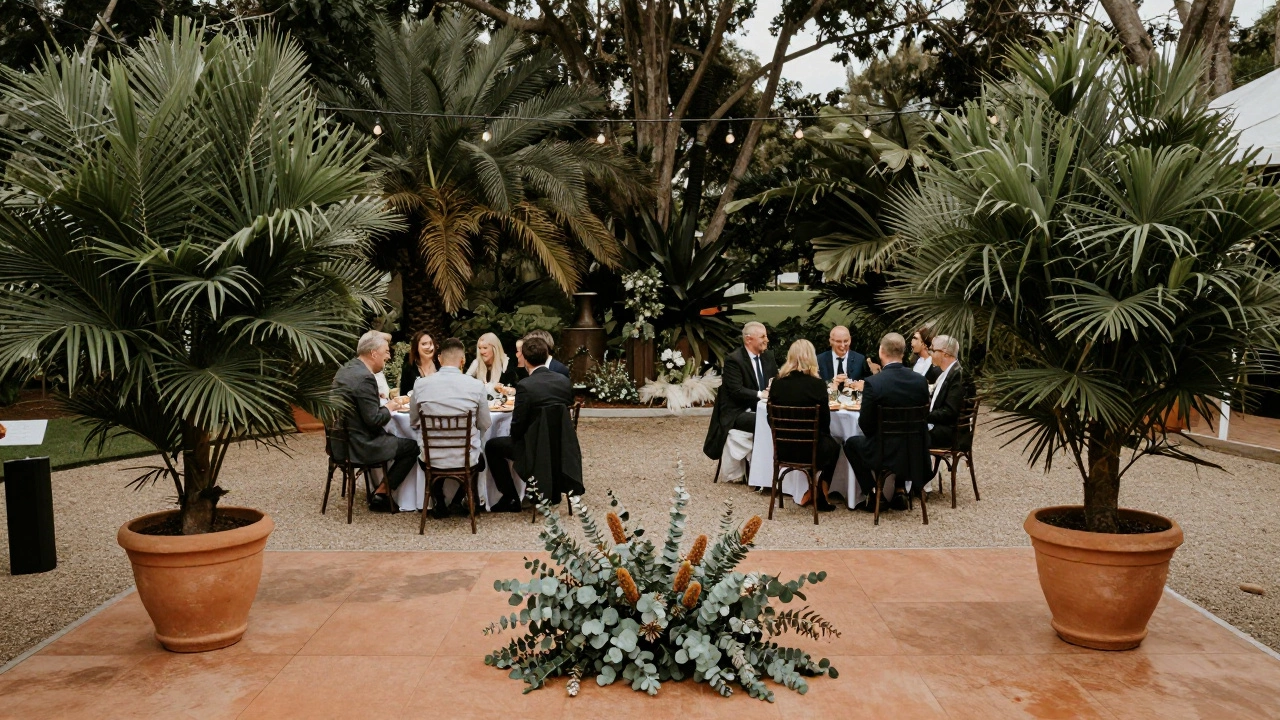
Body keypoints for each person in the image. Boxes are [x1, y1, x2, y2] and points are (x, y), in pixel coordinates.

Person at [484, 336, 577, 512]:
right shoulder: (563, 381)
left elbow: (517, 426)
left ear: (525, 359)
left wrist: (517, 437)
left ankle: (510, 496)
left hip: (534, 448)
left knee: (491, 446)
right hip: (562, 445)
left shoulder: (525, 386)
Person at [841, 332, 931, 511]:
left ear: (881, 352)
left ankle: (875, 493)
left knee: (851, 443)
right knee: (903, 438)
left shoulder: (874, 383)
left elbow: (865, 425)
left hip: (883, 452)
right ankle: (899, 490)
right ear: (903, 353)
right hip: (914, 450)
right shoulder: (920, 381)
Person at [331, 331, 419, 512]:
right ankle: (382, 494)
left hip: (339, 443)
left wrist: (374, 398)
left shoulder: (346, 369)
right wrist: (391, 406)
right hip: (361, 445)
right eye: (386, 351)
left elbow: (356, 401)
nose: (388, 356)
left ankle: (380, 489)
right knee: (412, 447)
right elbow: (374, 420)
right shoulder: (365, 378)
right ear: (373, 353)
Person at [411, 338, 492, 519]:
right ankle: (466, 500)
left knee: (424, 455)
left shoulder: (421, 385)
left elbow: (414, 420)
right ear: (462, 360)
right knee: (480, 458)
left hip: (431, 458)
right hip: (465, 458)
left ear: (440, 359)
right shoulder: (476, 386)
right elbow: (485, 424)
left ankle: (438, 500)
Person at [768, 339, 841, 512]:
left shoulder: (777, 383)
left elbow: (769, 418)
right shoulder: (817, 385)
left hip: (783, 448)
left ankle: (813, 490)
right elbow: (825, 423)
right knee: (835, 446)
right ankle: (821, 490)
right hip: (811, 449)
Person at [702, 321, 778, 461]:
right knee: (766, 421)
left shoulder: (768, 357)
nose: (767, 340)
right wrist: (761, 394)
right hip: (739, 411)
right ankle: (760, 468)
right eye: (762, 337)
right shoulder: (734, 360)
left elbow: (775, 380)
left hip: (765, 408)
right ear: (749, 339)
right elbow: (736, 391)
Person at [926, 335, 965, 449]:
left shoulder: (958, 375)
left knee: (908, 436)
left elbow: (950, 412)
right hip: (942, 429)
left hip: (950, 434)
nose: (930, 353)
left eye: (933, 350)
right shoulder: (945, 373)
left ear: (945, 354)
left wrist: (924, 416)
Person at [399, 331, 439, 396]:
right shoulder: (408, 368)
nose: (428, 347)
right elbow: (403, 394)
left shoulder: (440, 365)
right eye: (424, 344)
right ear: (416, 347)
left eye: (431, 343)